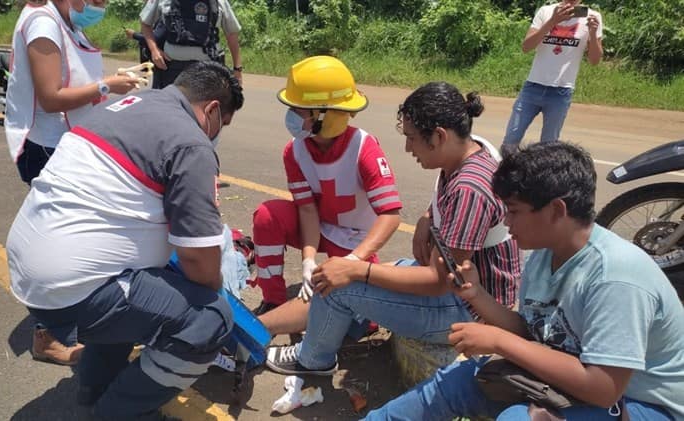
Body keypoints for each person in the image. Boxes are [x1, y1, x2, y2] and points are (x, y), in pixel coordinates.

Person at [363, 142, 684, 420]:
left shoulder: (615, 277)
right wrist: (477, 296)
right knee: (457, 381)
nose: (505, 221)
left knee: (520, 418)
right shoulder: (547, 253)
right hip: (580, 381)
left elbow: (603, 388)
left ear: (556, 211)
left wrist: (500, 342)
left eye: (513, 211)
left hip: (645, 405)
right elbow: (538, 332)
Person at [6, 61, 244, 420]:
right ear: (212, 109)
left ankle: (93, 395)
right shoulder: (191, 142)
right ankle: (120, 413)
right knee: (210, 319)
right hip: (72, 287)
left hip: (30, 266)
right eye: (221, 125)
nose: (215, 134)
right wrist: (215, 303)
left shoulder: (125, 107)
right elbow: (199, 263)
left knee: (140, 290)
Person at [265, 82, 521, 376]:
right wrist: (427, 216)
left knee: (341, 285)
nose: (407, 148)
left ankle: (312, 359)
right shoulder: (470, 147)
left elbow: (439, 281)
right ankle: (264, 327)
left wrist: (357, 269)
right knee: (344, 279)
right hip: (462, 293)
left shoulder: (470, 189)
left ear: (438, 136)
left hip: (467, 310)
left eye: (412, 139)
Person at [4, 0, 138, 365]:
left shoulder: (64, 21)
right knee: (62, 234)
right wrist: (106, 87)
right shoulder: (44, 24)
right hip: (46, 145)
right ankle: (46, 336)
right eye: (94, 0)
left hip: (63, 140)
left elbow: (74, 78)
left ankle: (70, 320)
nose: (100, 6)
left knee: (74, 232)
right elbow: (50, 98)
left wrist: (108, 83)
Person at [251, 55, 402, 332]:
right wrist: (308, 259)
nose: (291, 116)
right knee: (267, 216)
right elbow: (306, 209)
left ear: (325, 115)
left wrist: (354, 261)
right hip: (320, 228)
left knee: (359, 320)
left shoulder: (364, 149)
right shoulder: (295, 151)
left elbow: (390, 215)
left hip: (356, 239)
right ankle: (273, 301)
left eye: (299, 110)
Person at [501, 0, 603, 156]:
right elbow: (526, 47)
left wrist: (593, 34)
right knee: (509, 144)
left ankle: (539, 181)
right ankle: (506, 178)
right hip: (532, 87)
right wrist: (552, 22)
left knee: (548, 150)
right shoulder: (546, 12)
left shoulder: (592, 17)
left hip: (561, 92)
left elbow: (594, 61)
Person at [140, 0, 243, 88]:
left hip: (208, 69)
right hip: (172, 69)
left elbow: (232, 34)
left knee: (207, 109)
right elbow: (145, 23)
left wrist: (237, 70)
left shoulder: (218, 2)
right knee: (170, 108)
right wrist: (154, 50)